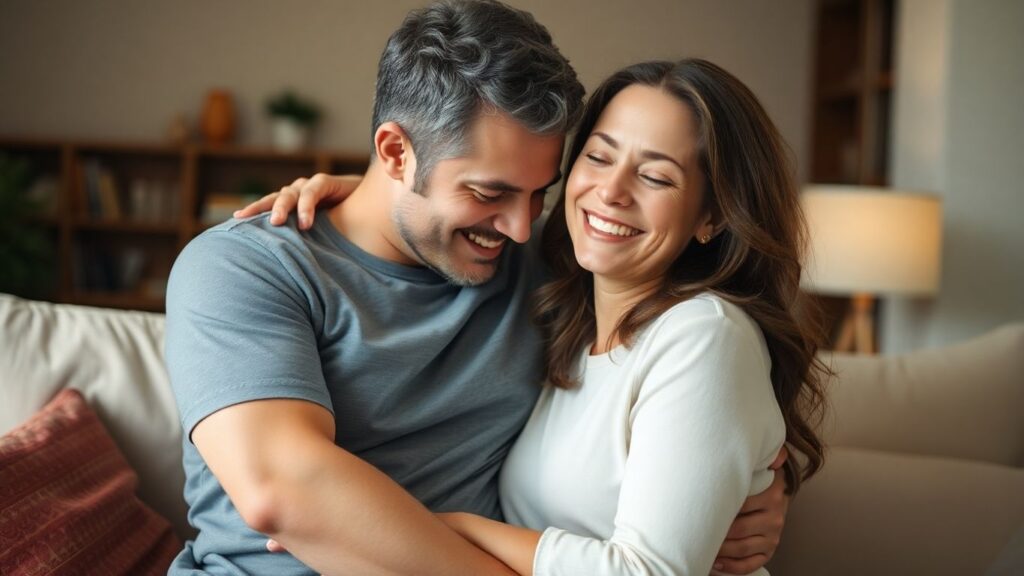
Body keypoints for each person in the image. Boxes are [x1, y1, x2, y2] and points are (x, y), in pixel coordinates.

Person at [168, 1, 789, 574]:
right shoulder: (245, 268)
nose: (521, 227)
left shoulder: (551, 264)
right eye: (489, 193)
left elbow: (697, 388)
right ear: (395, 153)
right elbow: (283, 491)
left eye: (538, 193)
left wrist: (756, 487)